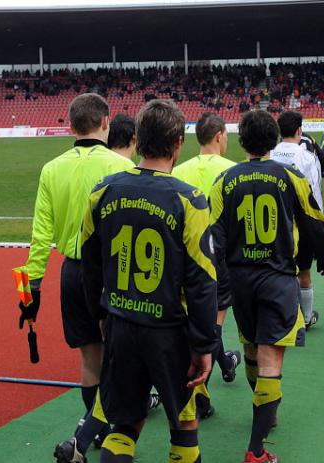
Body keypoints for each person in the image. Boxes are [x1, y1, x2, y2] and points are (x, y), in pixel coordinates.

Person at [80, 99, 218, 463]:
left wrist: (101, 315)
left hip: (121, 324)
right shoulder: (189, 200)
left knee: (124, 423)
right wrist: (204, 344)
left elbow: (89, 265)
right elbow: (202, 281)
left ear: (139, 138)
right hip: (170, 332)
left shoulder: (103, 190)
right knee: (183, 424)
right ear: (178, 143)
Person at [210, 110, 324, 463]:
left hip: (240, 279)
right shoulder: (290, 176)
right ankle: (255, 449)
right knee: (270, 357)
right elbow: (313, 219)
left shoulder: (224, 180)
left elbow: (213, 236)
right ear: (274, 140)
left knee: (252, 348)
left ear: (242, 141)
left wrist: (219, 279)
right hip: (278, 277)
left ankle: (266, 410)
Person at [17, 94, 134, 462]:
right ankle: (109, 429)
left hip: (72, 271)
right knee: (118, 355)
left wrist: (31, 289)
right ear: (106, 122)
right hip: (111, 271)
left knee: (89, 359)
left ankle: (96, 428)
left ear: (70, 126)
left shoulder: (51, 169)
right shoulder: (121, 166)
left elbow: (40, 235)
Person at [171, 111, 241, 418]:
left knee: (193, 320)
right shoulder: (232, 170)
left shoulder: (178, 170)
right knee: (212, 324)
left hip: (182, 255)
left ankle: (222, 365)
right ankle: (198, 395)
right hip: (216, 256)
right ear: (219, 135)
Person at [270, 110, 324, 330]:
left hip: (274, 220)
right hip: (300, 222)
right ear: (299, 130)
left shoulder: (270, 154)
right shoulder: (307, 157)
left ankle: (280, 314)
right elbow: (314, 194)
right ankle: (307, 317)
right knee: (304, 270)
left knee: (277, 269)